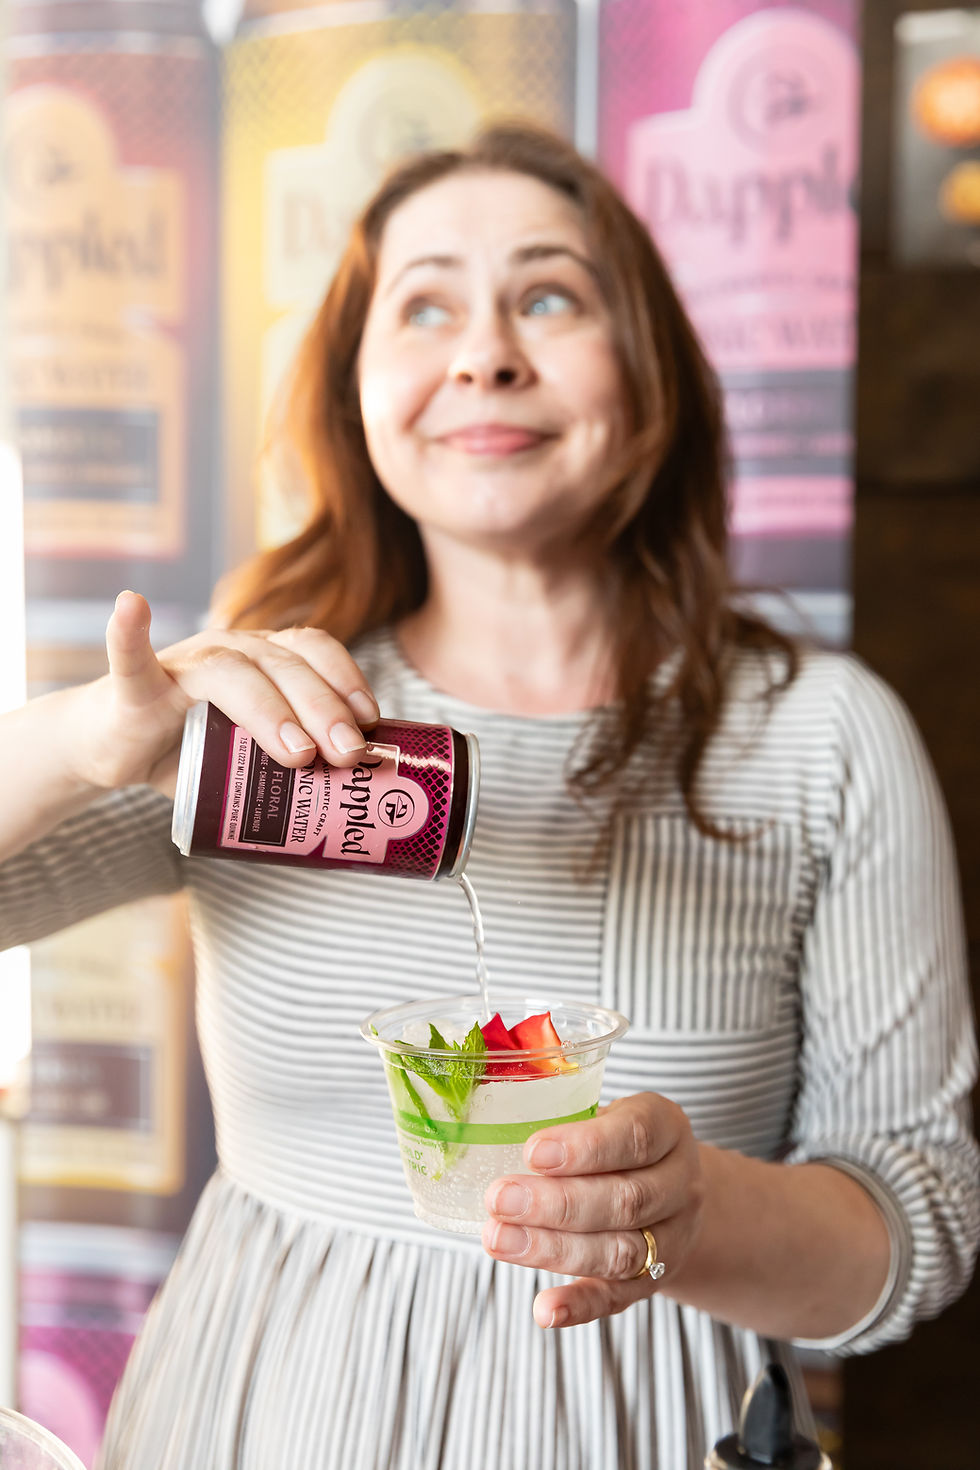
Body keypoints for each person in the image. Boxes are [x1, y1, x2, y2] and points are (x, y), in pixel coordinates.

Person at [1, 123, 977, 1470]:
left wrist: (694, 1216)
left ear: (651, 372)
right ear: (355, 391)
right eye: (424, 308)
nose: (484, 354)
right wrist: (80, 739)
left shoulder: (825, 736)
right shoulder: (269, 718)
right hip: (248, 1418)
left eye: (550, 296)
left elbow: (921, 1219)